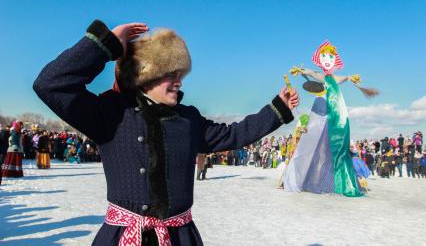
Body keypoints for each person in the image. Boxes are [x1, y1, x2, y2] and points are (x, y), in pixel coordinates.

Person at [33, 19, 300, 245]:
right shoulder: (110, 113)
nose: (179, 81)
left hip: (179, 237)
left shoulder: (187, 119)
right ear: (146, 75)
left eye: (180, 73)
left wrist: (276, 110)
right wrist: (107, 45)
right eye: (170, 74)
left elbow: (234, 134)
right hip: (123, 236)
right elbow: (50, 84)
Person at [283, 41, 378, 197]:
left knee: (337, 147)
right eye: (324, 56)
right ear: (320, 58)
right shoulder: (323, 76)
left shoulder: (334, 77)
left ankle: (339, 182)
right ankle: (306, 178)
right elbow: (313, 74)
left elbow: (343, 78)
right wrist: (301, 71)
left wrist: (350, 77)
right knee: (314, 145)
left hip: (336, 113)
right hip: (322, 111)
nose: (327, 59)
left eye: (330, 56)